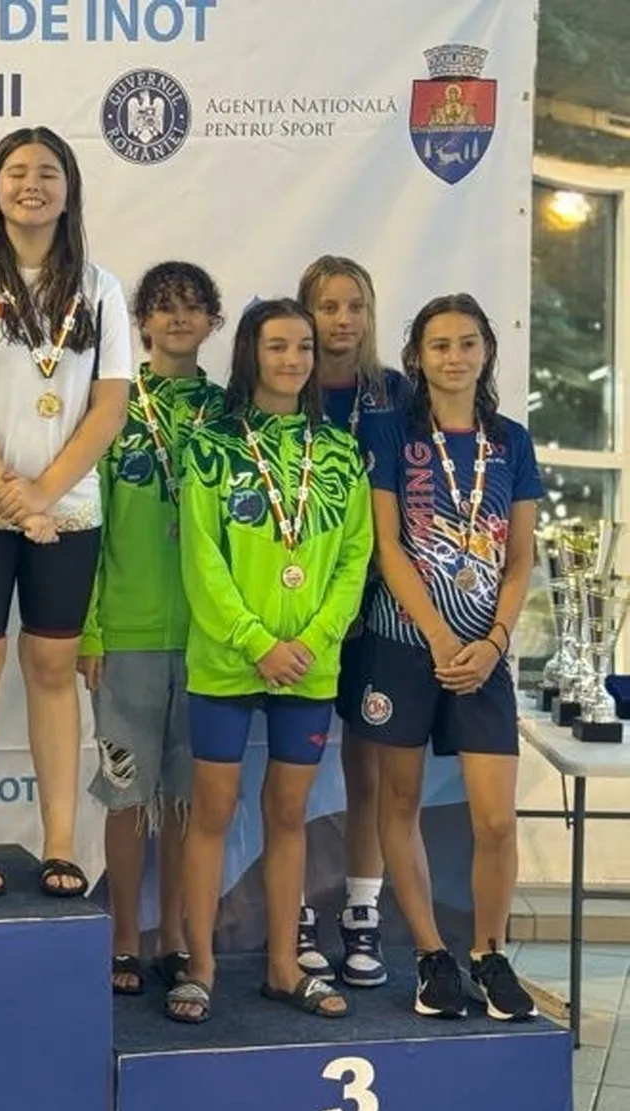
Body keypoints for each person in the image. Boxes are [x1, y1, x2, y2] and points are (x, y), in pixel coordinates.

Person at [0, 126, 130, 898]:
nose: (31, 185)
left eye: (47, 172)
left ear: (69, 190)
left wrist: (43, 496)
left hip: (66, 509)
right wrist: (13, 496)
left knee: (51, 668)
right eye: (16, 172)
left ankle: (59, 842)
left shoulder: (102, 289)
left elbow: (109, 408)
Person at [168, 299, 372, 1024]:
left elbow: (354, 559)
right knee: (212, 810)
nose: (292, 359)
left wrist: (311, 642)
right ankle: (199, 966)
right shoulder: (210, 446)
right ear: (251, 353)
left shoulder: (340, 451)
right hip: (228, 660)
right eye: (277, 345)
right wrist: (258, 642)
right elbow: (202, 561)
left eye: (304, 347)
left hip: (310, 665)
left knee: (288, 813)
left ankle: (285, 967)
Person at [348, 294, 541, 1021]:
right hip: (405, 644)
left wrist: (493, 642)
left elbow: (520, 558)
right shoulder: (389, 432)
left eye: (466, 343)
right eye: (439, 345)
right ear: (418, 357)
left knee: (496, 821)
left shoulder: (511, 442)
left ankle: (489, 954)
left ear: (487, 350)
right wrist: (438, 635)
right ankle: (432, 957)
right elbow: (387, 546)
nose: (454, 357)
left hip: (483, 655)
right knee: (399, 802)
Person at [77, 261, 225, 993]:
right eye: (164, 307)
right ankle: (124, 939)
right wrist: (90, 629)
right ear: (140, 322)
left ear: (213, 323)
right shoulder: (113, 404)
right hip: (127, 632)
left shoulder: (228, 414)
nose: (178, 318)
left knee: (187, 800)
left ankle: (175, 938)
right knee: (129, 796)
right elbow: (88, 519)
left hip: (208, 640)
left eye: (193, 307)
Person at [295, 255, 411, 987]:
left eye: (355, 306)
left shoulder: (396, 395)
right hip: (299, 605)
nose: (342, 320)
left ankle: (361, 911)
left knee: (366, 767)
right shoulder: (284, 385)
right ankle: (296, 907)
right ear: (305, 313)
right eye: (328, 307)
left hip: (377, 605)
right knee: (292, 771)